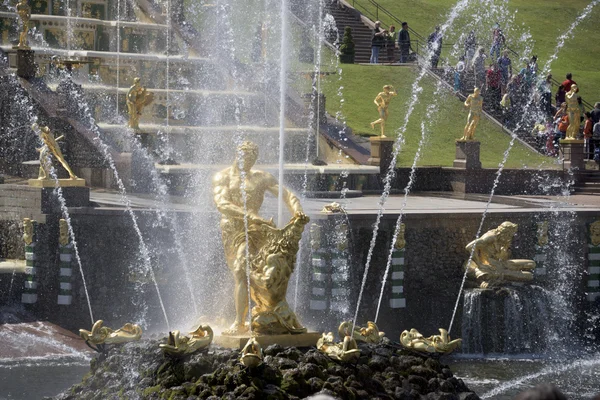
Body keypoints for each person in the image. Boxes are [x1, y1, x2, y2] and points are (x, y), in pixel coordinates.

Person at [212, 141, 306, 335]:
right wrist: (249, 214)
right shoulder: (222, 177)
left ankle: (246, 319)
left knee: (245, 269)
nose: (247, 162)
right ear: (236, 154)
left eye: (251, 159)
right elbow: (221, 204)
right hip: (233, 229)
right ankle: (250, 316)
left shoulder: (262, 177)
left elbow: (287, 195)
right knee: (241, 270)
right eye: (244, 157)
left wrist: (297, 212)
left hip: (256, 230)